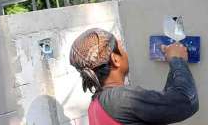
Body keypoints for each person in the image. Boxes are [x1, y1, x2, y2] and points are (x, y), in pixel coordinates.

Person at [69, 28, 198, 125]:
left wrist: (173, 64)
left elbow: (164, 105)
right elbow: (187, 102)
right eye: (122, 48)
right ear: (115, 59)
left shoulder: (95, 104)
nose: (126, 53)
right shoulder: (121, 99)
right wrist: (177, 59)